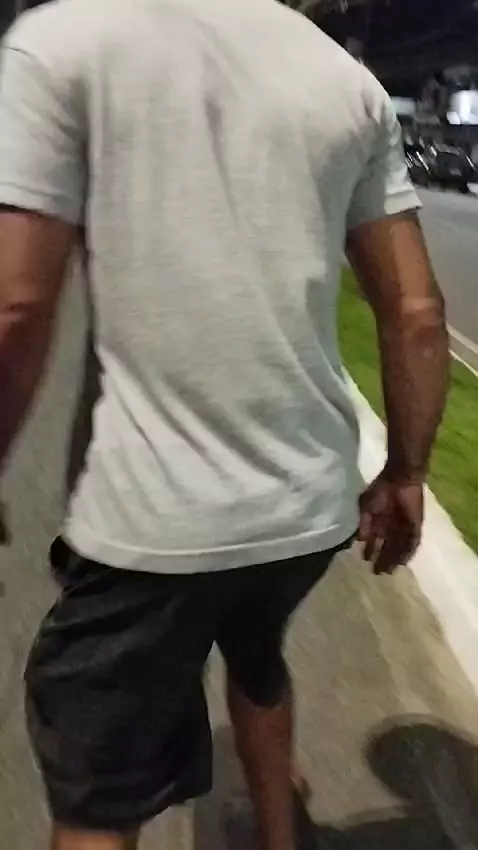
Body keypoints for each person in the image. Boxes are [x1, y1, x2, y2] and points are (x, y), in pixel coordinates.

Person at [0, 0, 449, 848]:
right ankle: (280, 836)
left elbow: (16, 311)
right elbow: (418, 313)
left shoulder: (62, 41)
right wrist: (407, 474)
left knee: (99, 800)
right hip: (305, 508)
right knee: (257, 655)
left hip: (151, 526)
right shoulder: (346, 81)